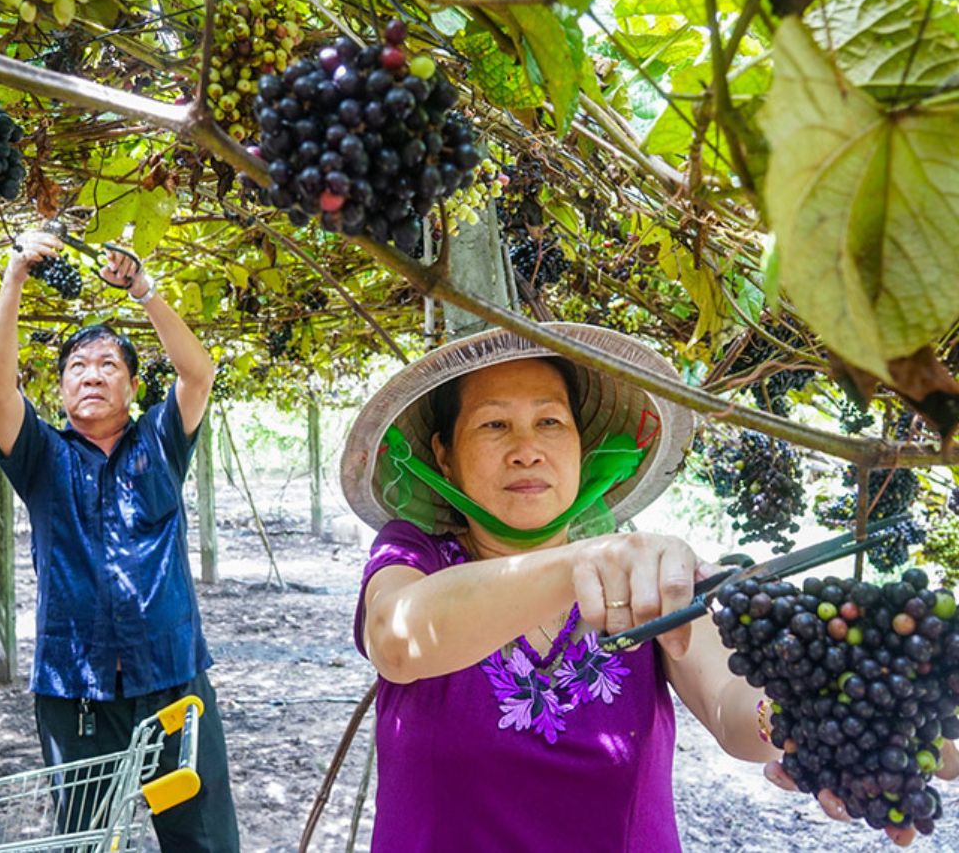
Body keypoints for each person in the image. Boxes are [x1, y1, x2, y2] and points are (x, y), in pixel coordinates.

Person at [340, 322, 957, 852]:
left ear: (582, 446)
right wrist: (589, 560)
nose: (527, 450)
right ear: (444, 456)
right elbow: (399, 640)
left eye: (551, 422)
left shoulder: (645, 578)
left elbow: (732, 709)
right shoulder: (415, 555)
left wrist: (811, 717)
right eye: (495, 425)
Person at [0, 229, 239, 852]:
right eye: (77, 367)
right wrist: (13, 274)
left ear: (130, 387)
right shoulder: (41, 456)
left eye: (108, 366)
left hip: (173, 681)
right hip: (76, 691)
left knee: (199, 839)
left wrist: (143, 290)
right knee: (87, 843)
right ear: (61, 390)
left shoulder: (159, 441)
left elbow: (198, 372)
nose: (91, 376)